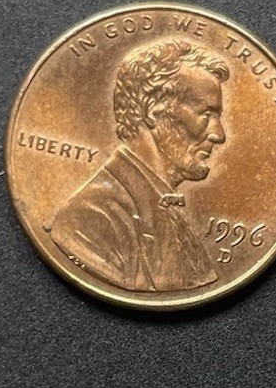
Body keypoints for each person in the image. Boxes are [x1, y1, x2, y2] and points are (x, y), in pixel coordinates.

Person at [49, 40, 230, 292]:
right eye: (206, 113)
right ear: (152, 110)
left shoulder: (168, 210)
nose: (218, 135)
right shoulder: (89, 219)